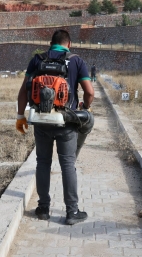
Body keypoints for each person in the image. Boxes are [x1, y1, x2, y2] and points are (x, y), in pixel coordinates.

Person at [16, 29, 94, 225]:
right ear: (69, 44)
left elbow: (23, 90)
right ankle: (71, 212)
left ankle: (43, 208)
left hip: (41, 120)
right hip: (66, 121)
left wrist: (20, 116)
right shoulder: (76, 60)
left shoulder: (37, 59)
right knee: (68, 164)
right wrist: (85, 107)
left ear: (51, 43)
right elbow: (89, 91)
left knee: (43, 162)